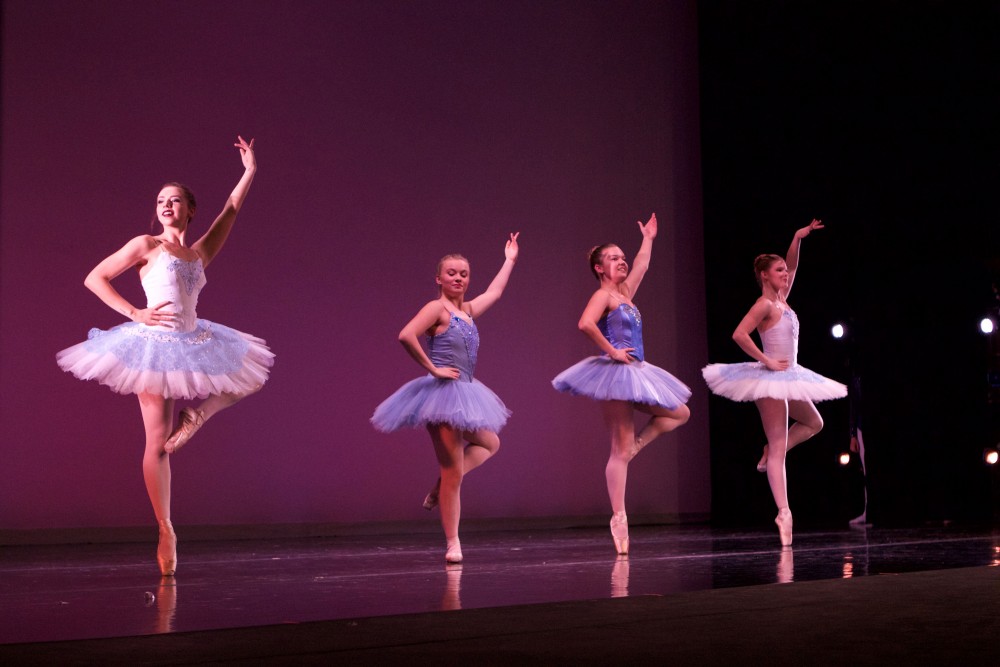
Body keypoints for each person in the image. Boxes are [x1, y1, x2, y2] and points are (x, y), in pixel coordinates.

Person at [56, 137, 273, 576]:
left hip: (193, 338)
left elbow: (230, 211)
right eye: (161, 201)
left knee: (252, 377)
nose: (166, 205)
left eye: (175, 201)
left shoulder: (199, 252)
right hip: (153, 346)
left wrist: (249, 171)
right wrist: (134, 312)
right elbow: (95, 277)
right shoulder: (146, 245)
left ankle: (198, 417)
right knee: (156, 444)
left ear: (190, 210)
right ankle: (166, 528)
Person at [371, 234, 520, 564]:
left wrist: (509, 260)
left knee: (490, 443)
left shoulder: (466, 311)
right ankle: (453, 542)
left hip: (466, 391)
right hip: (441, 395)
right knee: (454, 472)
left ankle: (441, 486)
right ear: (439, 278)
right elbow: (405, 335)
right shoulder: (436, 308)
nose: (459, 278)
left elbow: (494, 293)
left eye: (464, 274)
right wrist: (433, 369)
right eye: (452, 273)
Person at [552, 214, 691, 555]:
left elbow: (642, 264)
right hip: (615, 373)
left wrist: (648, 238)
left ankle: (636, 447)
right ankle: (619, 516)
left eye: (622, 257)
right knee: (618, 448)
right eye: (613, 258)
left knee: (679, 412)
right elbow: (585, 323)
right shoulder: (604, 296)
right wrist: (611, 350)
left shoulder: (626, 293)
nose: (622, 261)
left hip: (639, 371)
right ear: (600, 269)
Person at [702, 219, 845, 546]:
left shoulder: (782, 300)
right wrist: (765, 361)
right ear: (765, 275)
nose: (785, 273)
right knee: (780, 447)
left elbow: (793, 265)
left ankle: (769, 452)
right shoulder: (764, 304)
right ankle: (784, 512)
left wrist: (797, 237)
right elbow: (739, 333)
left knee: (814, 422)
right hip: (769, 379)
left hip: (791, 374)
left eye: (784, 270)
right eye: (778, 270)